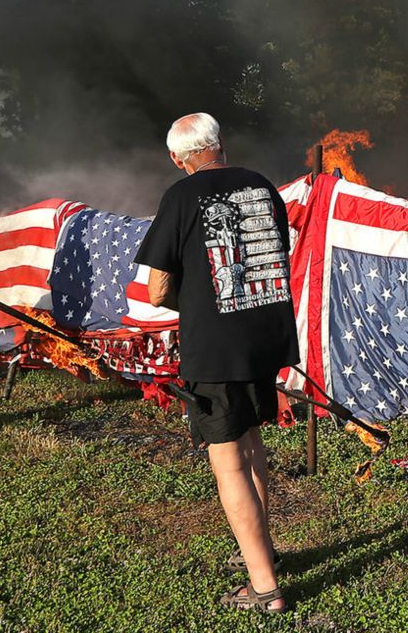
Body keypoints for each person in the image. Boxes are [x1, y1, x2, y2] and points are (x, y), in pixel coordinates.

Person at [135, 113, 299, 614]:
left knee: (227, 459)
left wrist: (200, 303)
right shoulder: (262, 187)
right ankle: (261, 549)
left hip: (217, 347)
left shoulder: (180, 197)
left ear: (177, 158)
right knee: (251, 442)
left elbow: (158, 288)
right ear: (220, 145)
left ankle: (264, 587)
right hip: (265, 337)